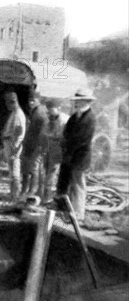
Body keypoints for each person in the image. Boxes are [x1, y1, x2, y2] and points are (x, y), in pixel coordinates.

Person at [57, 88, 97, 221]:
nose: (76, 104)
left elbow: (81, 140)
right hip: (69, 155)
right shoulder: (75, 116)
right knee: (65, 183)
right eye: (76, 101)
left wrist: (68, 148)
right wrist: (65, 145)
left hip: (80, 157)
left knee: (78, 184)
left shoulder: (90, 118)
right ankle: (65, 211)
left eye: (79, 101)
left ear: (87, 102)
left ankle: (78, 214)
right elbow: (67, 133)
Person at [0, 90, 27, 202]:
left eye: (7, 103)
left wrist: (14, 148)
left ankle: (14, 197)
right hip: (7, 145)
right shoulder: (14, 112)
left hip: (12, 146)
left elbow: (19, 132)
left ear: (13, 102)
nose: (6, 105)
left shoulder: (18, 114)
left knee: (14, 174)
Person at [21, 90, 48, 197]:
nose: (30, 103)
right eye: (29, 101)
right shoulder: (35, 111)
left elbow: (42, 131)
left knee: (33, 168)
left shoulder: (40, 113)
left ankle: (31, 191)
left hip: (37, 145)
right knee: (28, 168)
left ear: (38, 100)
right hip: (31, 144)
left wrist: (38, 146)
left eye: (33, 100)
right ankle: (27, 191)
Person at [41, 99, 69, 203]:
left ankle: (49, 197)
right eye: (48, 111)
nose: (49, 113)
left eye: (51, 110)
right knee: (46, 169)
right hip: (49, 145)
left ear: (59, 109)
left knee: (53, 171)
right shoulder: (49, 119)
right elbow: (45, 132)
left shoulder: (65, 120)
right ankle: (44, 194)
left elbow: (65, 136)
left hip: (59, 147)